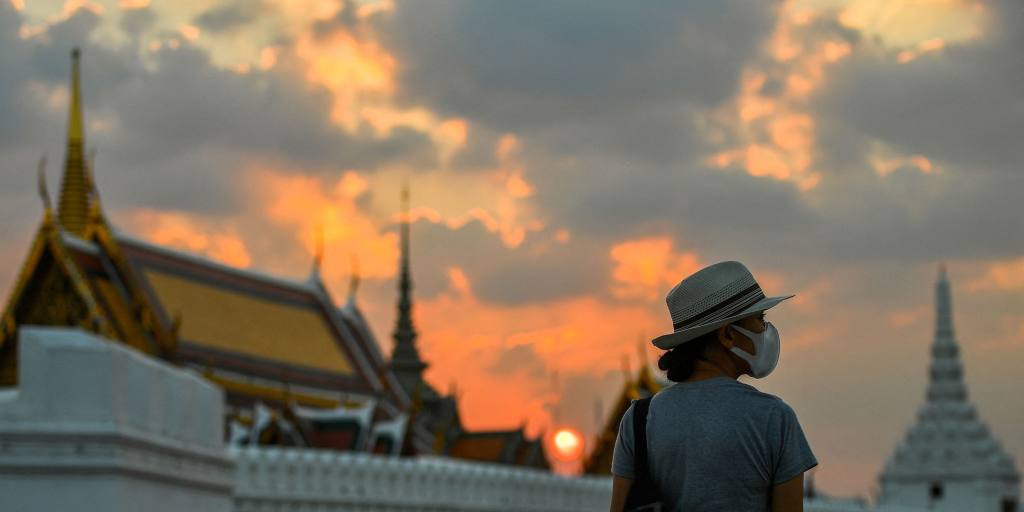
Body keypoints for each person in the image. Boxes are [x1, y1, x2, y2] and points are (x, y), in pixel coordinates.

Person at [609, 261, 817, 512]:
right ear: (728, 335)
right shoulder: (775, 419)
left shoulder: (639, 419)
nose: (765, 330)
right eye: (759, 319)